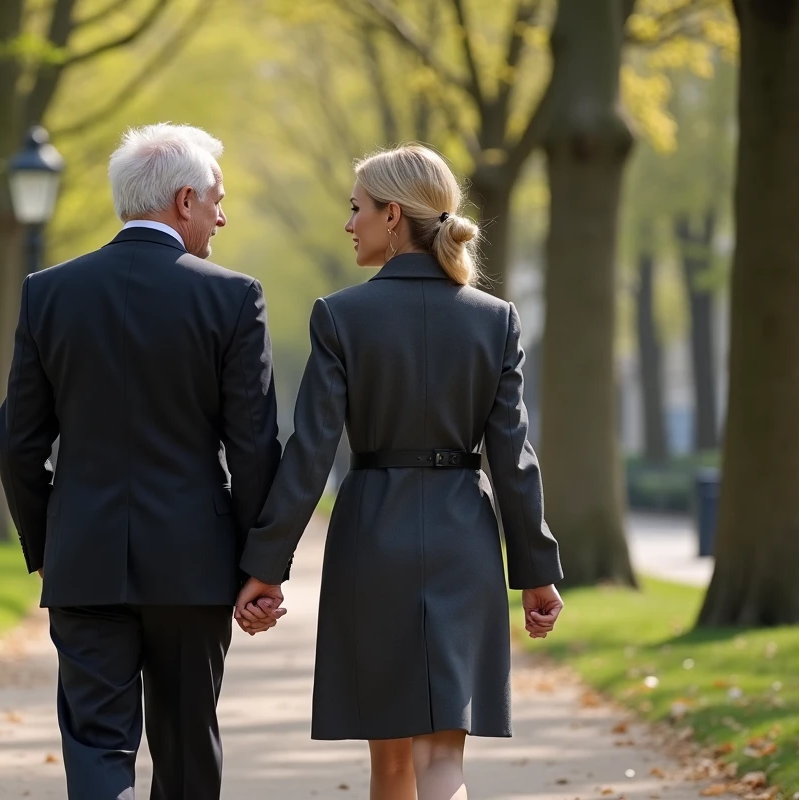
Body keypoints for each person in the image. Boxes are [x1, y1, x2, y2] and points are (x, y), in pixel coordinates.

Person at [234, 144, 565, 800]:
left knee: (388, 767)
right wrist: (536, 573)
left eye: (356, 209)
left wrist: (265, 565)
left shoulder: (340, 316)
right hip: (462, 540)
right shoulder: (495, 320)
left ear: (392, 215)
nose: (348, 223)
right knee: (443, 762)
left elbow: (310, 453)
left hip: (372, 541)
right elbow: (514, 460)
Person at [0, 123, 284, 800]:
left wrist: (47, 545)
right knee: (186, 746)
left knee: (97, 745)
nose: (223, 213)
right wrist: (260, 567)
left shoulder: (49, 292)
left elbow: (17, 443)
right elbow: (254, 448)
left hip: (85, 558)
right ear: (184, 201)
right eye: (217, 197)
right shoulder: (233, 297)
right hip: (193, 564)